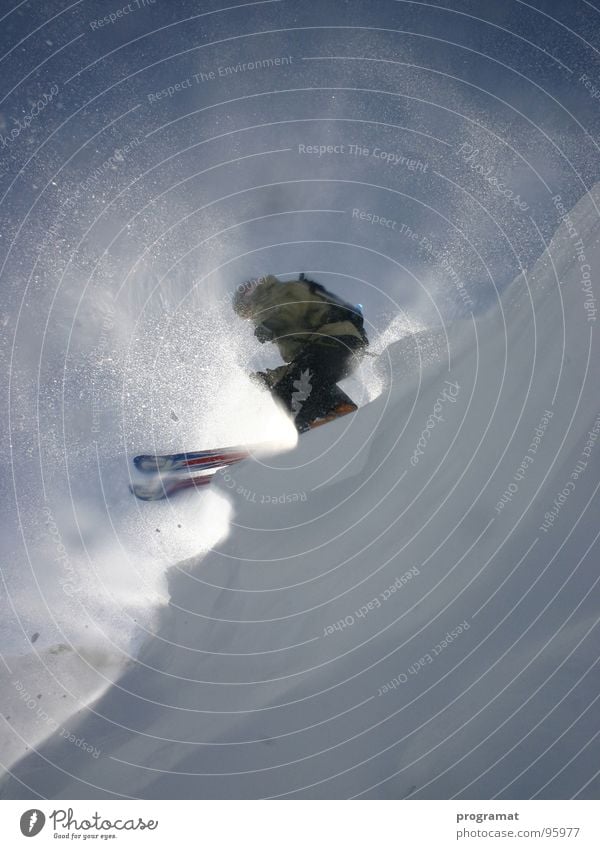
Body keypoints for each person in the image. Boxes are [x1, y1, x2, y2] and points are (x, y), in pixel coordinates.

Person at [233, 273, 369, 432]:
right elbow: (298, 365)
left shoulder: (280, 292)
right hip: (333, 349)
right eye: (246, 316)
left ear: (249, 297)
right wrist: (269, 378)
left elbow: (295, 306)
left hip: (336, 341)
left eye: (246, 310)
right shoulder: (283, 325)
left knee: (290, 386)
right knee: (297, 383)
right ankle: (340, 411)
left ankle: (311, 425)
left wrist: (270, 324)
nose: (250, 318)